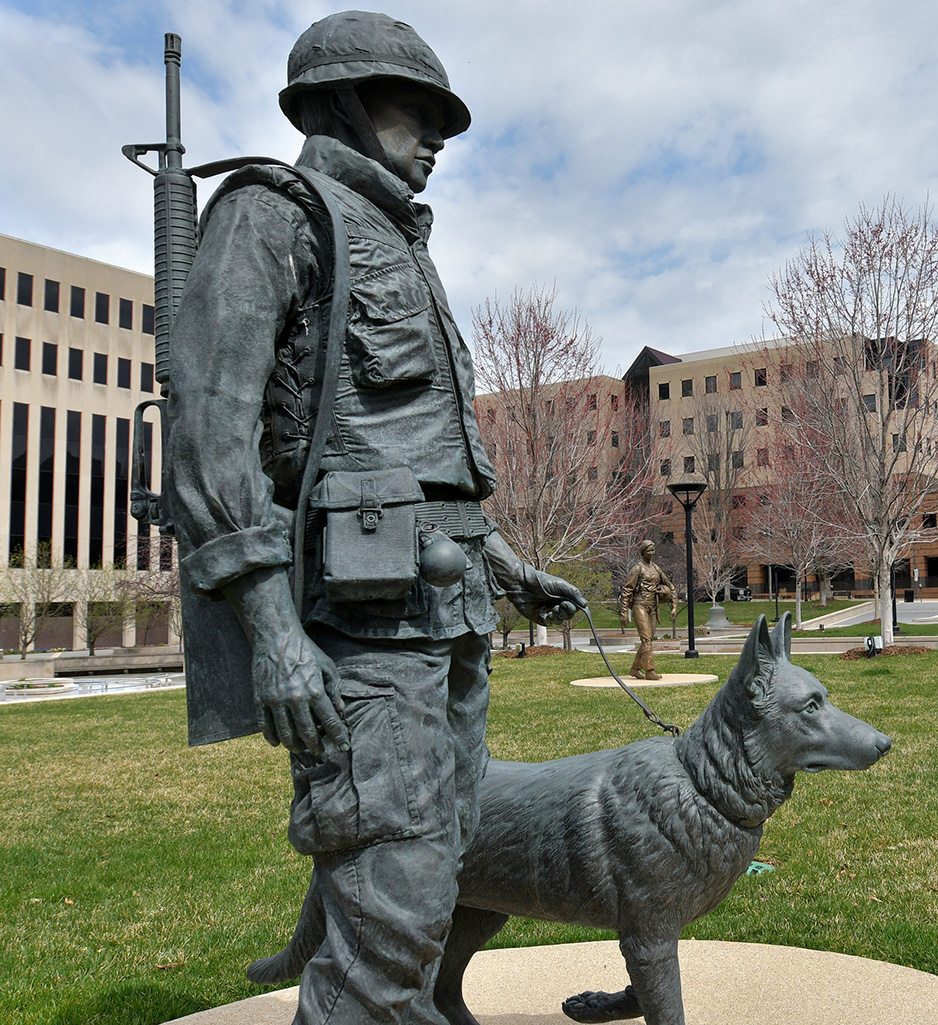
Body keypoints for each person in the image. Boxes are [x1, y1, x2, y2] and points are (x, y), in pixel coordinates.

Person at [165, 11, 584, 1025]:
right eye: (416, 107)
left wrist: (508, 563)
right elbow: (208, 438)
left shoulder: (403, 241)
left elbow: (418, 458)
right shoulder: (273, 213)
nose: (437, 133)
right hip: (360, 634)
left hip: (448, 615)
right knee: (389, 878)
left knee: (438, 861)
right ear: (341, 103)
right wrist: (271, 630)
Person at [618, 540, 676, 681]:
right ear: (642, 552)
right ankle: (650, 671)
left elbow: (670, 586)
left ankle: (635, 669)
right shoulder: (638, 568)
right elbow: (627, 590)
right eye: (649, 550)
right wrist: (624, 612)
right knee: (646, 640)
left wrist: (674, 605)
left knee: (648, 640)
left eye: (653, 550)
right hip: (640, 605)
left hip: (653, 607)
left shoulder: (656, 569)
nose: (652, 553)